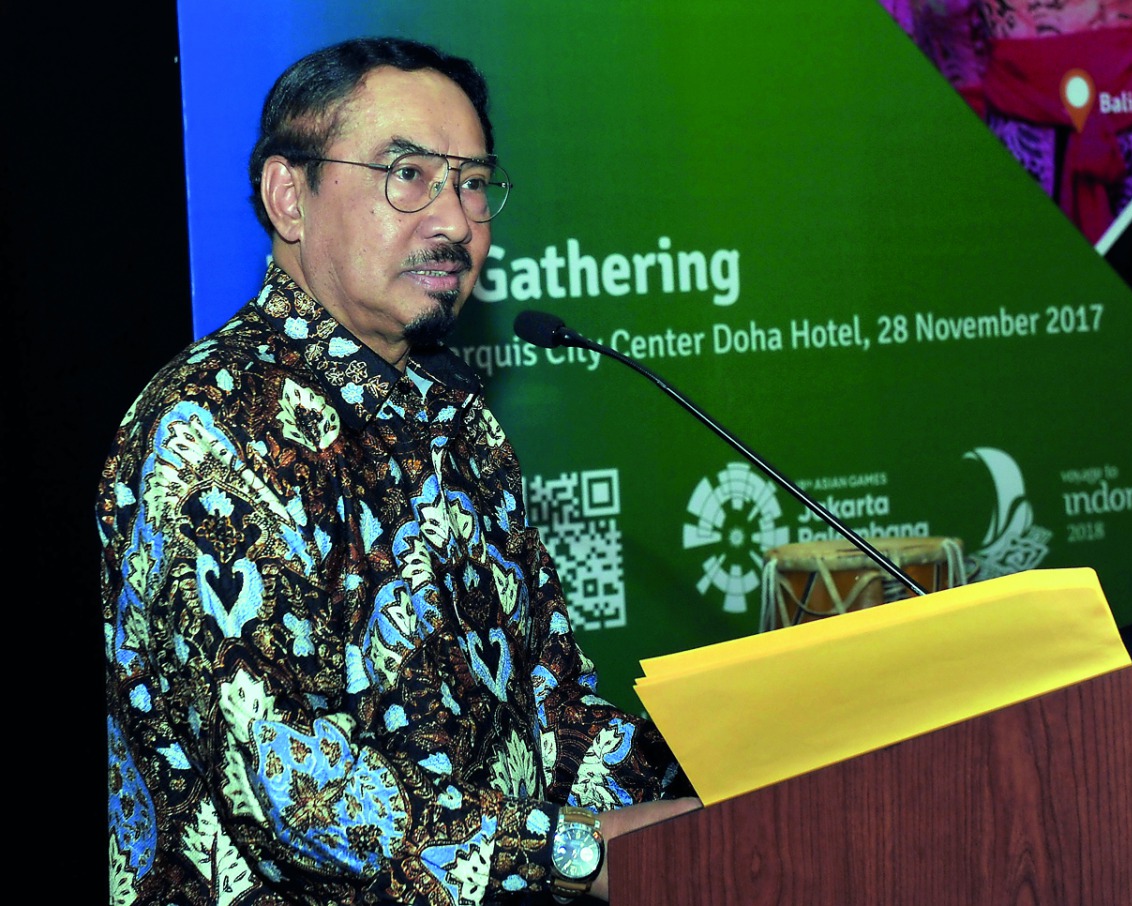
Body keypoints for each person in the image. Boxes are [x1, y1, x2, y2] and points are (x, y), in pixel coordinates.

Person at [99, 36, 696, 906]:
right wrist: (574, 853)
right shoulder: (205, 428)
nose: (454, 220)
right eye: (407, 174)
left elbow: (550, 720)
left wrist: (722, 769)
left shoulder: (461, 420)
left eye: (473, 182)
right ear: (287, 196)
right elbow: (295, 792)